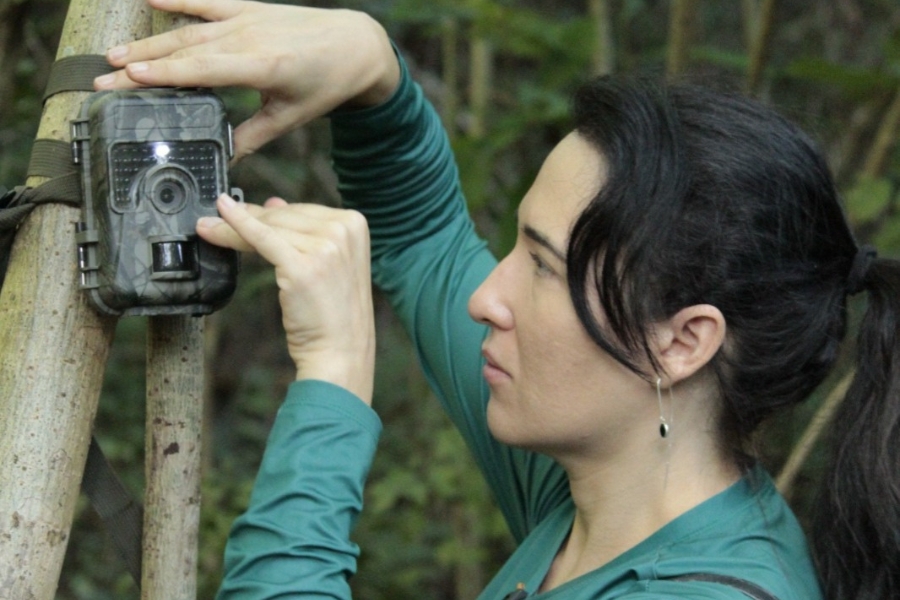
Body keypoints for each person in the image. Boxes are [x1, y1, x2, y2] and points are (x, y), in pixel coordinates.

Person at [95, 0, 900, 598]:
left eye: (543, 268)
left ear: (681, 342)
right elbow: (423, 238)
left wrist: (333, 377)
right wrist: (374, 73)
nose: (487, 294)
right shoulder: (597, 492)